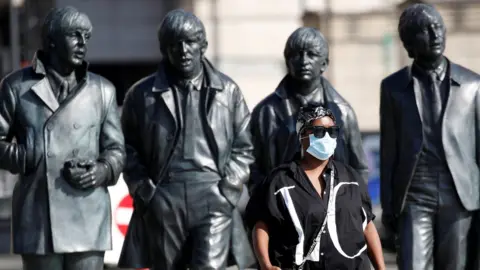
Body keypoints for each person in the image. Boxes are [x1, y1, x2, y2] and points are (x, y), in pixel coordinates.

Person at [118, 9, 255, 270]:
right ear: (164, 48)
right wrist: (145, 191)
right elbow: (126, 148)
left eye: (190, 41)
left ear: (202, 44)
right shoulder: (141, 95)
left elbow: (245, 146)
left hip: (213, 193)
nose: (183, 50)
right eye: (174, 43)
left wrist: (228, 189)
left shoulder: (228, 91)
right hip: (164, 194)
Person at [0, 6, 125, 270]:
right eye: (74, 35)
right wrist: (23, 156)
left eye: (86, 37)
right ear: (53, 40)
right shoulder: (16, 87)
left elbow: (116, 151)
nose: (82, 43)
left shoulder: (102, 91)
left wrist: (101, 171)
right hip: (40, 220)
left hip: (88, 215)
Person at [380, 3, 480, 269]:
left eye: (438, 27)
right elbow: (389, 151)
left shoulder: (472, 85)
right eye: (425, 30)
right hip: (415, 193)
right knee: (412, 264)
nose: (435, 34)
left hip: (459, 194)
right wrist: (388, 206)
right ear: (410, 43)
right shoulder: (393, 87)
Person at [246, 105, 385, 270]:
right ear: (302, 135)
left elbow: (367, 225)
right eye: (319, 131)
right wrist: (266, 264)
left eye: (332, 131)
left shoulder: (351, 178)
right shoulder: (280, 181)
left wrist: (381, 268)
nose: (326, 137)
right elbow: (262, 225)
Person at [249, 27, 368, 194]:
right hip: (281, 208)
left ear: (324, 63)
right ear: (287, 61)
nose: (304, 61)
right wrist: (265, 203)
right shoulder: (266, 112)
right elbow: (253, 167)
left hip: (332, 207)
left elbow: (359, 167)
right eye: (297, 54)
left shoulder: (343, 111)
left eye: (311, 55)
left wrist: (354, 206)